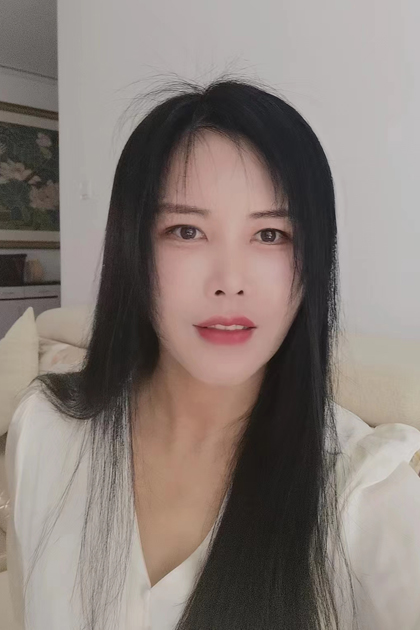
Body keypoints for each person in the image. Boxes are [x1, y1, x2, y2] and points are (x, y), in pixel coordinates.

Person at [5, 76, 420, 630]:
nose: (230, 281)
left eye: (271, 235)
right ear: (133, 249)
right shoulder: (43, 430)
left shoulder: (367, 495)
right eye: (186, 231)